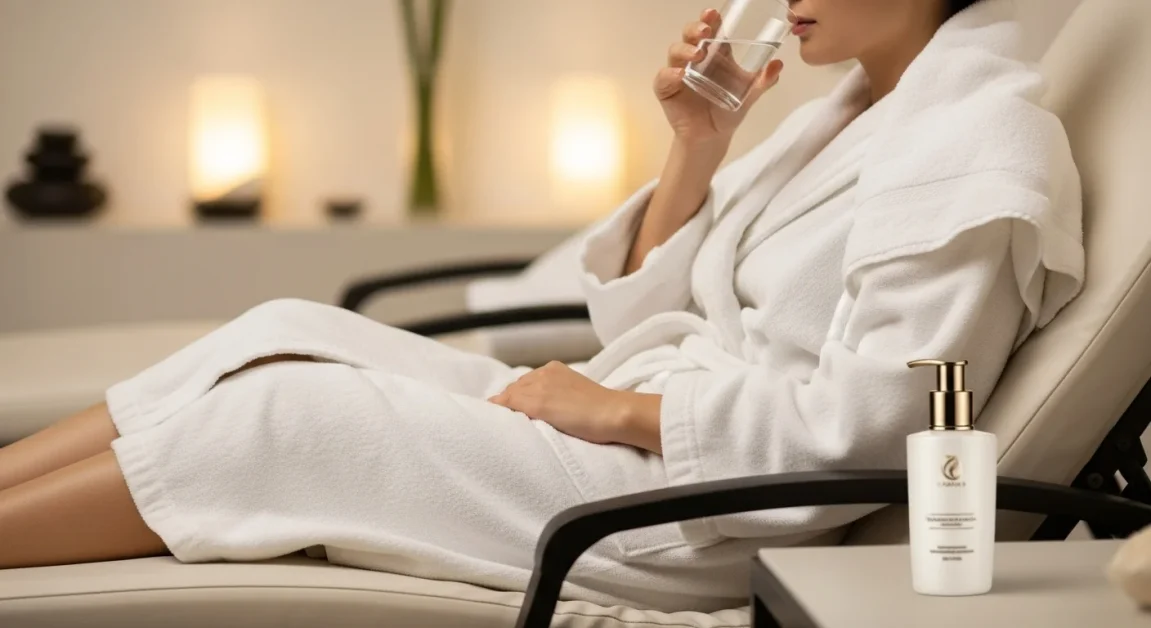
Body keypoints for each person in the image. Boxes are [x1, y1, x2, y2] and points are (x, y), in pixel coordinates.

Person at [0, 0, 1082, 613]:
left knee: (282, 418)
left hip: (699, 508)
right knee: (288, 326)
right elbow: (654, 308)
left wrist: (622, 415)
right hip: (662, 433)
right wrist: (695, 147)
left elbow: (875, 429)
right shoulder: (852, 113)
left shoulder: (973, 147)